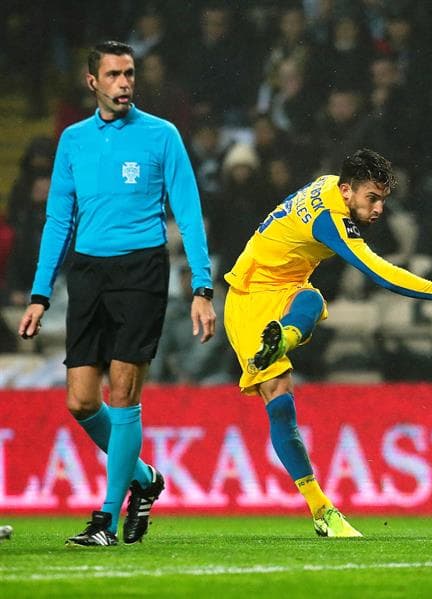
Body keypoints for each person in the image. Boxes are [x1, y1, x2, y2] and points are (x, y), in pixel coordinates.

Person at [223, 148, 432, 537]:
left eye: (383, 199)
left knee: (313, 299)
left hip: (285, 289)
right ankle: (322, 511)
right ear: (347, 191)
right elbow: (381, 274)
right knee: (280, 404)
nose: (380, 208)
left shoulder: (327, 185)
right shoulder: (330, 218)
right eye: (373, 198)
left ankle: (284, 337)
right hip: (249, 300)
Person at [17, 41, 216, 547]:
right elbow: (59, 218)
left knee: (123, 394)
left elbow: (188, 212)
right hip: (87, 273)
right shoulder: (73, 141)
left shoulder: (162, 136)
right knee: (81, 402)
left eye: (129, 74)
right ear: (93, 83)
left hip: (142, 272)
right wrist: (40, 293)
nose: (125, 83)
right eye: (114, 75)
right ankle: (145, 479)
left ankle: (106, 517)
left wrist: (201, 284)